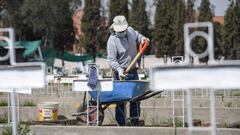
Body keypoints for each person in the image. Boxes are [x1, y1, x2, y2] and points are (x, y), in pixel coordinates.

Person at [107, 15, 149, 126]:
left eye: (123, 30)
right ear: (115, 29)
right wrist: (119, 69)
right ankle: (121, 125)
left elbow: (138, 36)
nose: (122, 32)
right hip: (120, 74)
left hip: (133, 71)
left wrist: (143, 39)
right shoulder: (112, 40)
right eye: (120, 31)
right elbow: (111, 60)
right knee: (120, 101)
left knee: (136, 99)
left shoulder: (130, 31)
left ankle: (134, 123)